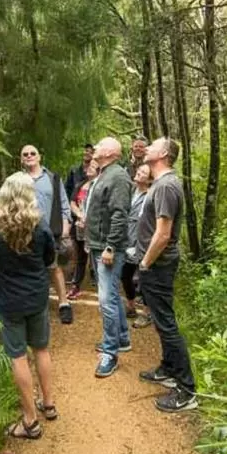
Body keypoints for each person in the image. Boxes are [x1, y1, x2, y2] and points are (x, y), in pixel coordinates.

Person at [0, 173, 58, 440]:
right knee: (41, 349)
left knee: (18, 356)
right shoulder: (40, 225)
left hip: (9, 300)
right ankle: (48, 404)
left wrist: (1, 281)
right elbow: (49, 257)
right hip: (36, 297)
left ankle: (30, 421)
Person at [136, 137, 198, 412]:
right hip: (156, 265)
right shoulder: (160, 184)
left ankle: (187, 391)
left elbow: (163, 234)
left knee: (166, 323)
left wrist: (145, 264)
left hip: (158, 266)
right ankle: (169, 369)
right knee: (162, 321)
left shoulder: (166, 186)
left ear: (163, 154)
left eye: (153, 145)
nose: (146, 147)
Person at [84, 137, 132, 378]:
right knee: (111, 295)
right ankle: (122, 338)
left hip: (108, 247)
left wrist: (111, 247)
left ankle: (110, 353)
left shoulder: (118, 177)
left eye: (100, 145)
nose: (96, 148)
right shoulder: (104, 174)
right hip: (97, 245)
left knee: (106, 300)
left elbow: (119, 215)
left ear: (111, 152)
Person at [20, 145, 75, 325]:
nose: (29, 156)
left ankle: (63, 304)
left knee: (54, 267)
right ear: (21, 159)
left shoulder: (52, 178)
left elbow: (64, 204)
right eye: (25, 154)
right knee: (29, 268)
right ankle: (34, 306)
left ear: (39, 157)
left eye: (32, 153)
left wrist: (66, 228)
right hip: (25, 232)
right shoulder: (17, 180)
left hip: (50, 231)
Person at [122, 164, 152, 327]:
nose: (139, 174)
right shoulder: (131, 191)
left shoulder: (150, 196)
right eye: (139, 171)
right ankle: (131, 305)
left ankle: (147, 313)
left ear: (150, 179)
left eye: (144, 173)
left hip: (141, 241)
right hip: (126, 239)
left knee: (143, 278)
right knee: (125, 274)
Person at [67, 160, 98, 300]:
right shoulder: (81, 184)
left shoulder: (99, 185)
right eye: (89, 166)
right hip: (79, 225)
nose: (88, 168)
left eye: (92, 166)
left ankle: (101, 286)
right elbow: (72, 202)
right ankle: (76, 286)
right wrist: (80, 215)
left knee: (96, 257)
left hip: (95, 227)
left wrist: (88, 218)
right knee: (80, 257)